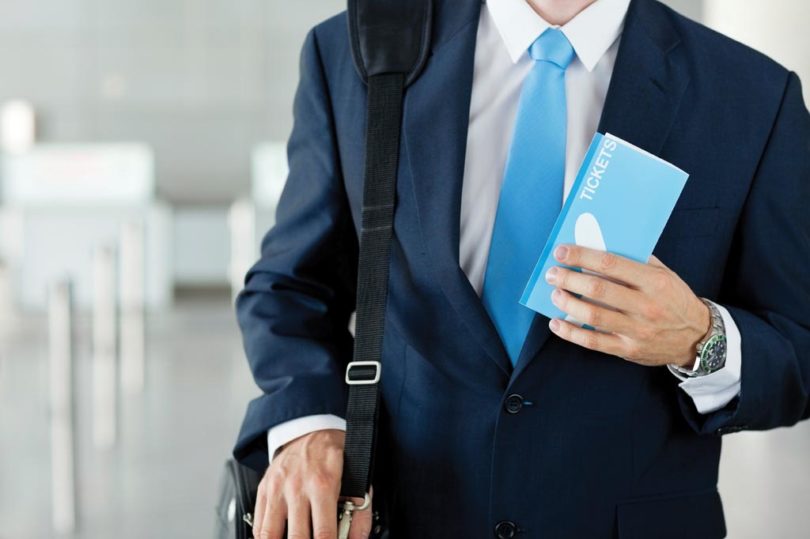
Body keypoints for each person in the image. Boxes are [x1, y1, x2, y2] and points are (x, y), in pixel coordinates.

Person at [234, 0, 810, 537]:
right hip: (405, 515)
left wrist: (699, 338)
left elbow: (799, 350)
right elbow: (289, 287)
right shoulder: (355, 52)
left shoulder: (751, 96)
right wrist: (310, 421)